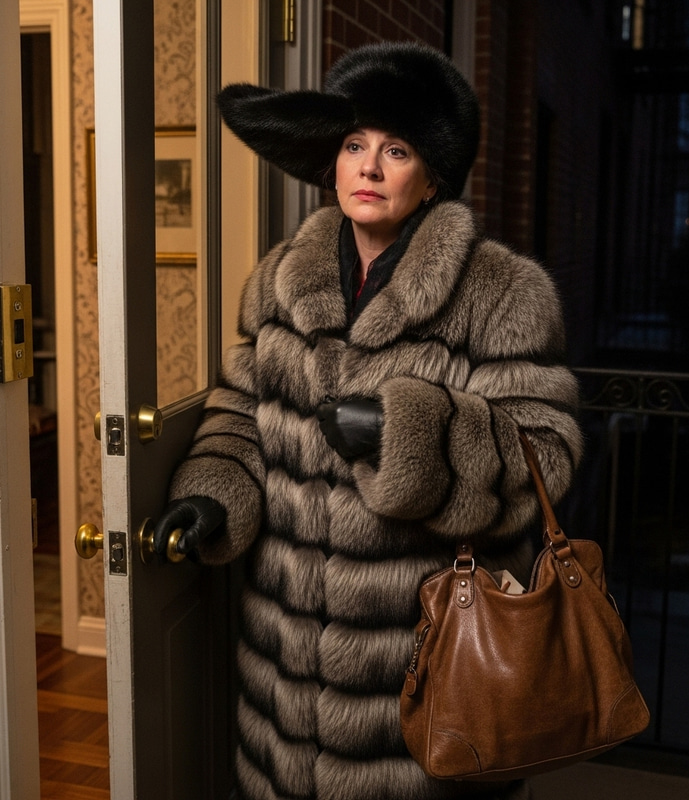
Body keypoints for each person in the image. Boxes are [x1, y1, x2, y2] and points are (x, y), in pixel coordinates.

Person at [154, 41, 583, 800]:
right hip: (283, 672)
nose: (369, 168)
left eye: (396, 149)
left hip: (421, 676)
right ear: (331, 163)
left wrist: (409, 434)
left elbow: (545, 454)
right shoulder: (282, 280)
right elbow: (240, 409)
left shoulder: (501, 292)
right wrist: (213, 488)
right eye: (354, 146)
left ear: (433, 177)